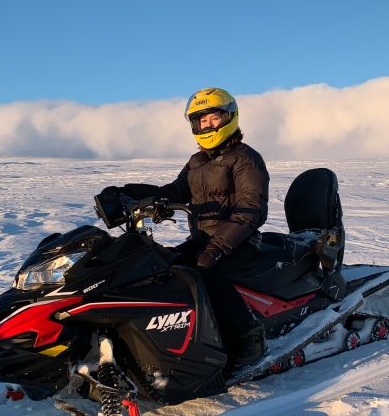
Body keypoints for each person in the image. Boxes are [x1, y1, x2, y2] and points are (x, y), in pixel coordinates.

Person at [102, 87, 269, 366]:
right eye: (201, 121)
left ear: (229, 117)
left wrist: (217, 247)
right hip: (204, 238)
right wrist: (127, 193)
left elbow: (251, 210)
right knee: (165, 268)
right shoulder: (197, 161)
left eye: (213, 118)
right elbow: (175, 191)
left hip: (240, 240)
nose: (207, 125)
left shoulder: (245, 158)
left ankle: (249, 338)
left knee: (205, 273)